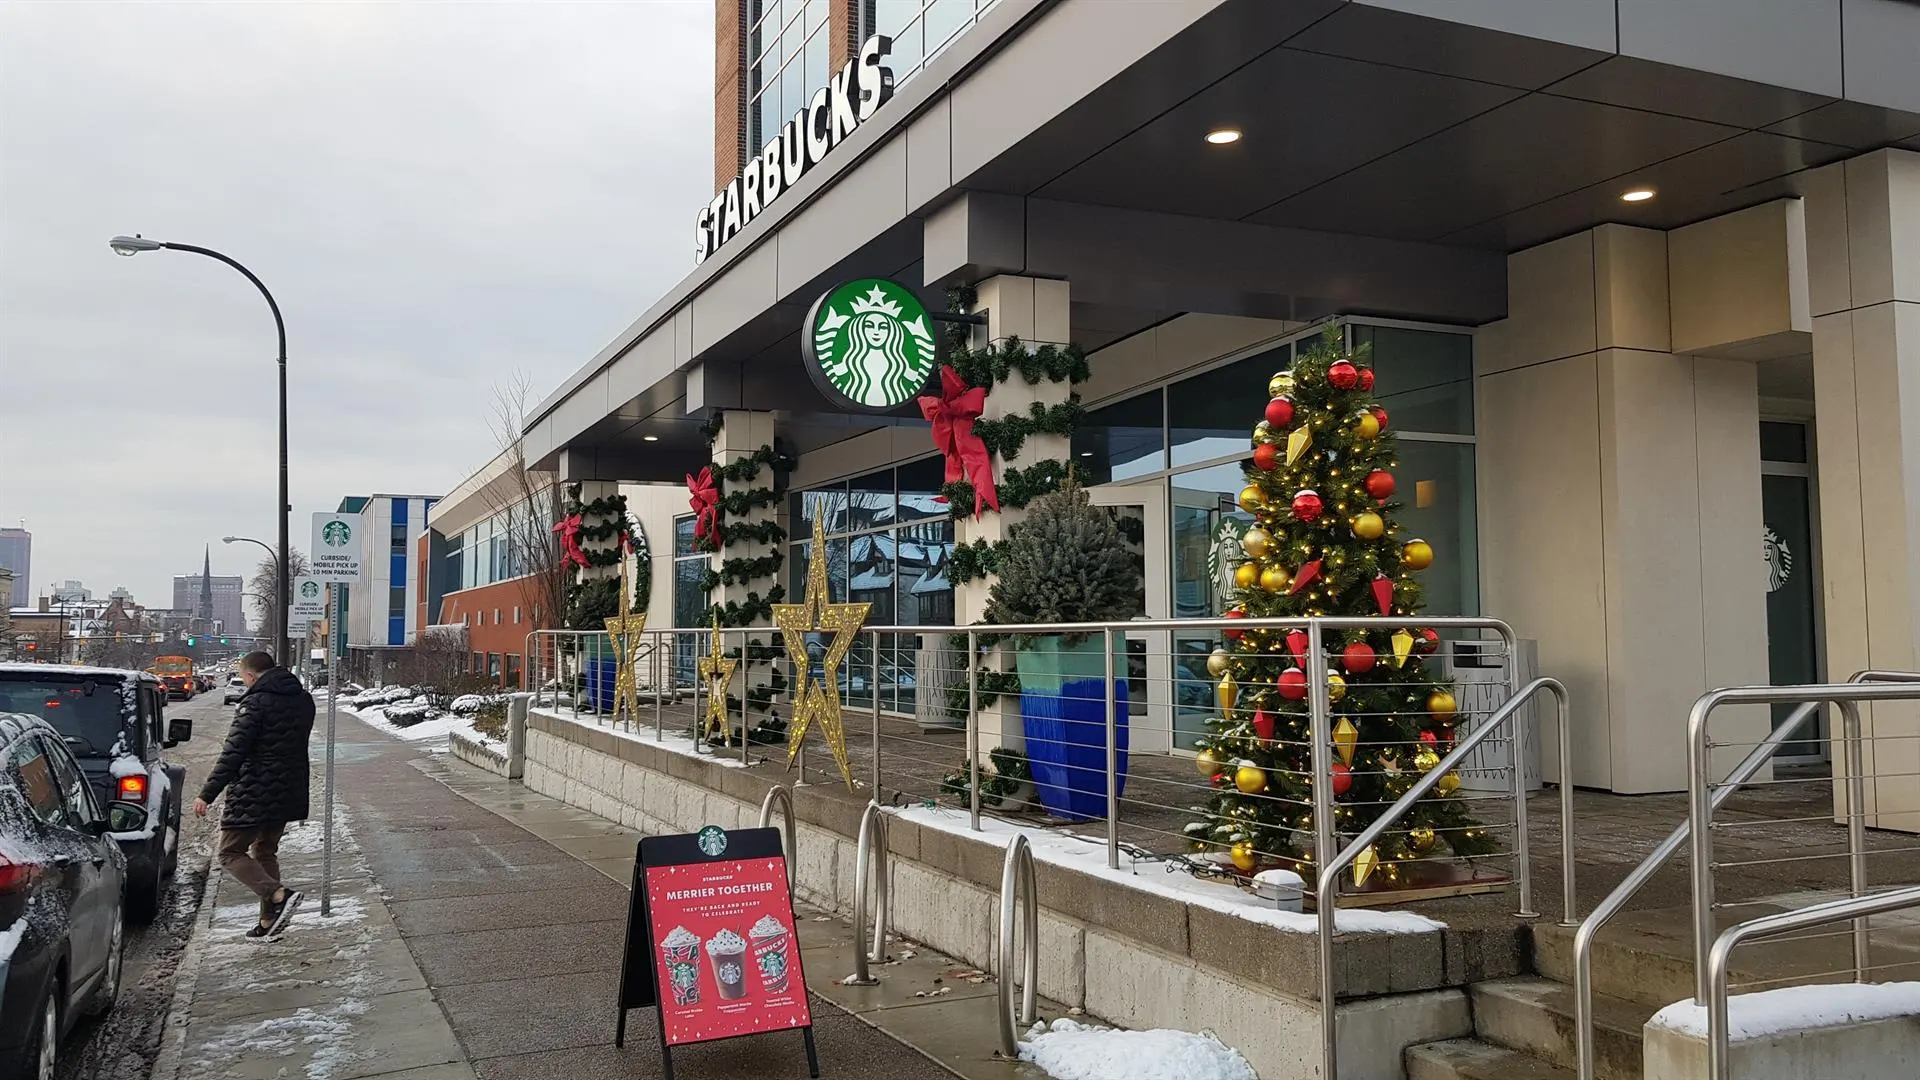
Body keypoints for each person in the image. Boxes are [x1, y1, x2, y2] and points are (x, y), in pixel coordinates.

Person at [194, 650, 315, 937]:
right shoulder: (303, 700)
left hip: (254, 790)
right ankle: (269, 920)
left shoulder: (254, 704)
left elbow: (232, 755)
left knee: (229, 852)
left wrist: (207, 794)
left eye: (244, 678)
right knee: (265, 850)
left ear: (250, 675)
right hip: (289, 788)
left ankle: (278, 894)